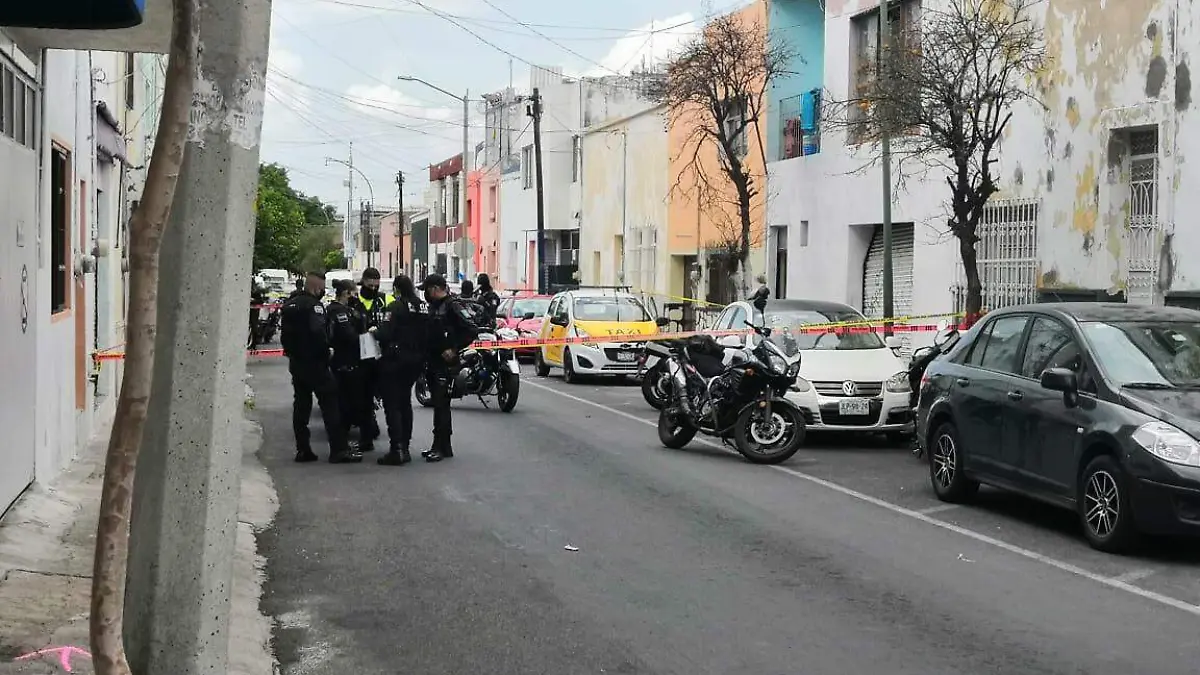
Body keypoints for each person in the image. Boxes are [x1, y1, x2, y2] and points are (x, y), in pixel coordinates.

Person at [279, 272, 362, 464]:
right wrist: (327, 352)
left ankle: (303, 449)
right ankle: (339, 449)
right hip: (316, 363)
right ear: (316, 288)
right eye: (322, 288)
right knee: (330, 405)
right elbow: (318, 333)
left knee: (301, 406)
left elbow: (285, 337)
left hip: (296, 363)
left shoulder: (289, 305)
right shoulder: (314, 306)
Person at [417, 273, 479, 462]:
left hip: (444, 363)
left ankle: (442, 446)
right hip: (432, 361)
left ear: (435, 289)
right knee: (438, 404)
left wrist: (454, 349)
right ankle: (441, 445)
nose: (425, 294)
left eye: (427, 290)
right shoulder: (435, 307)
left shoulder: (452, 306)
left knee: (442, 405)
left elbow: (471, 329)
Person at [371, 275, 429, 465]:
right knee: (405, 402)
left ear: (396, 288)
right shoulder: (422, 307)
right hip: (416, 360)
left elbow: (385, 333)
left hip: (395, 360)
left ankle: (396, 449)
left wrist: (374, 332)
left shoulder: (396, 306)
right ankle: (404, 446)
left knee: (392, 404)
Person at [326, 279, 375, 453]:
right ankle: (345, 442)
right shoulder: (337, 311)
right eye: (354, 293)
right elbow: (350, 336)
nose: (356, 297)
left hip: (356, 362)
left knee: (361, 402)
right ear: (346, 293)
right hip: (344, 362)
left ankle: (365, 438)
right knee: (346, 403)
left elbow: (363, 324)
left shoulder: (352, 310)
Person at [350, 268, 394, 443]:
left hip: (381, 353)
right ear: (363, 282)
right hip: (358, 353)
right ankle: (365, 429)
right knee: (361, 394)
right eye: (370, 286)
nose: (374, 289)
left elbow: (395, 320)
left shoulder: (385, 300)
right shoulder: (354, 300)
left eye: (376, 286)